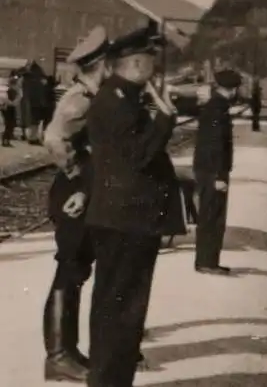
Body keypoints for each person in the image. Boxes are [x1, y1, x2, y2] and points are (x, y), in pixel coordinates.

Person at [85, 24, 177, 387]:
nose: (154, 68)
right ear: (137, 64)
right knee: (122, 309)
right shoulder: (117, 103)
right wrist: (166, 118)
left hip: (124, 218)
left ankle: (110, 379)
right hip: (127, 221)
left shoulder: (120, 98)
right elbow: (138, 156)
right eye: (150, 61)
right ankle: (110, 381)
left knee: (118, 306)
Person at [42, 26, 108, 383]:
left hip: (83, 192)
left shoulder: (94, 96)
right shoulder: (79, 99)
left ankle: (68, 349)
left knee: (77, 270)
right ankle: (58, 356)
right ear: (99, 64)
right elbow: (53, 138)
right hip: (72, 195)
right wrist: (75, 170)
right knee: (69, 271)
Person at [193, 68, 242, 276]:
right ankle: (207, 262)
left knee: (210, 215)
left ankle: (207, 260)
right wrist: (219, 176)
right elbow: (215, 145)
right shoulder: (218, 108)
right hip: (212, 172)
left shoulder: (214, 106)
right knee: (213, 217)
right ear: (231, 90)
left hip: (207, 171)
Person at [1, 72, 20, 147]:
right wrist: (15, 101)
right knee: (9, 125)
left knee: (9, 125)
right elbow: (11, 102)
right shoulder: (11, 91)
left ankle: (6, 140)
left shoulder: (10, 90)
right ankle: (5, 140)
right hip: (9, 109)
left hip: (7, 109)